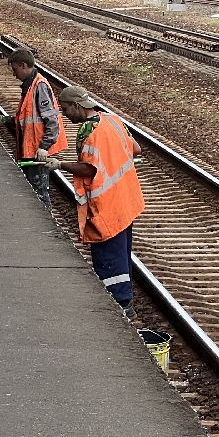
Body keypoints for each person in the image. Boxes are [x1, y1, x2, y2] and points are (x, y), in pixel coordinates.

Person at [51, 85, 145, 320]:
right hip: (126, 199)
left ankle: (118, 308)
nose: (65, 114)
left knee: (108, 259)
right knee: (122, 254)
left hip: (106, 205)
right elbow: (136, 150)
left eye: (65, 109)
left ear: (76, 106)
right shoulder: (113, 119)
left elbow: (88, 168)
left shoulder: (87, 131)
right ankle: (126, 304)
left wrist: (58, 165)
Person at [6, 48, 67, 206]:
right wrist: (10, 121)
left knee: (39, 191)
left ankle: (47, 222)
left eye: (15, 69)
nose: (14, 74)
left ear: (24, 65)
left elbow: (52, 120)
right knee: (33, 189)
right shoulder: (29, 85)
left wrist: (44, 146)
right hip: (30, 148)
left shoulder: (39, 85)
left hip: (37, 150)